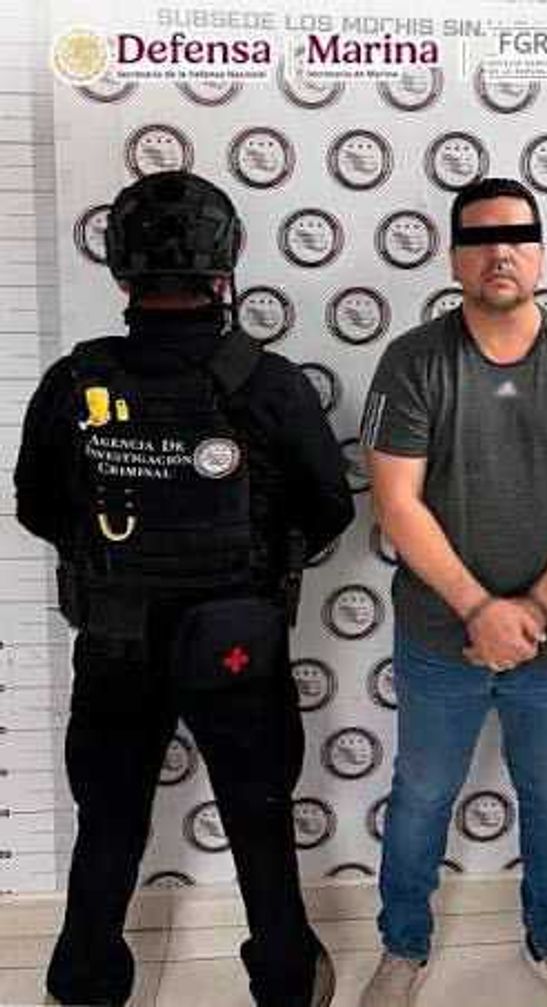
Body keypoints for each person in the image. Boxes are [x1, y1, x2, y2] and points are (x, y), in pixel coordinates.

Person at [15, 170, 354, 1007]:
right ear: (227, 262)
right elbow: (329, 507)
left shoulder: (75, 382)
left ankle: (84, 984)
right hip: (238, 645)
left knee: (110, 820)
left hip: (115, 641)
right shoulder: (268, 384)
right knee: (258, 816)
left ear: (118, 268)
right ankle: (285, 980)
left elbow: (38, 506)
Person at [358, 177, 547, 1007]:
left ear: (542, 254)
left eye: (517, 236)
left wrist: (534, 609)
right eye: (481, 240)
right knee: (421, 795)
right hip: (439, 637)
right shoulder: (413, 360)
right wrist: (480, 610)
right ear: (454, 259)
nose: (500, 254)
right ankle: (402, 946)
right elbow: (396, 501)